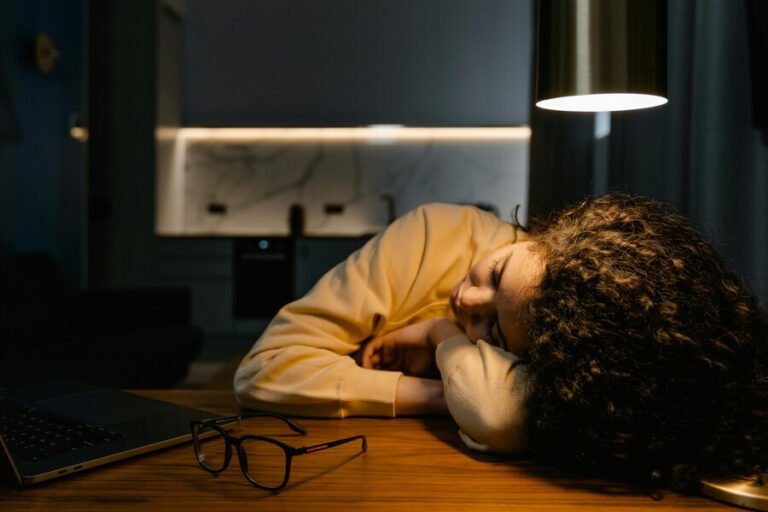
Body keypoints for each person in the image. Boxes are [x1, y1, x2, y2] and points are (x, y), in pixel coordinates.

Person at [234, 193, 768, 492]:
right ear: (543, 237)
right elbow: (262, 372)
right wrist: (443, 394)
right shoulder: (430, 235)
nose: (467, 300)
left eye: (492, 330)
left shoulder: (565, 349)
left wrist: (441, 339)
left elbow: (496, 416)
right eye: (495, 272)